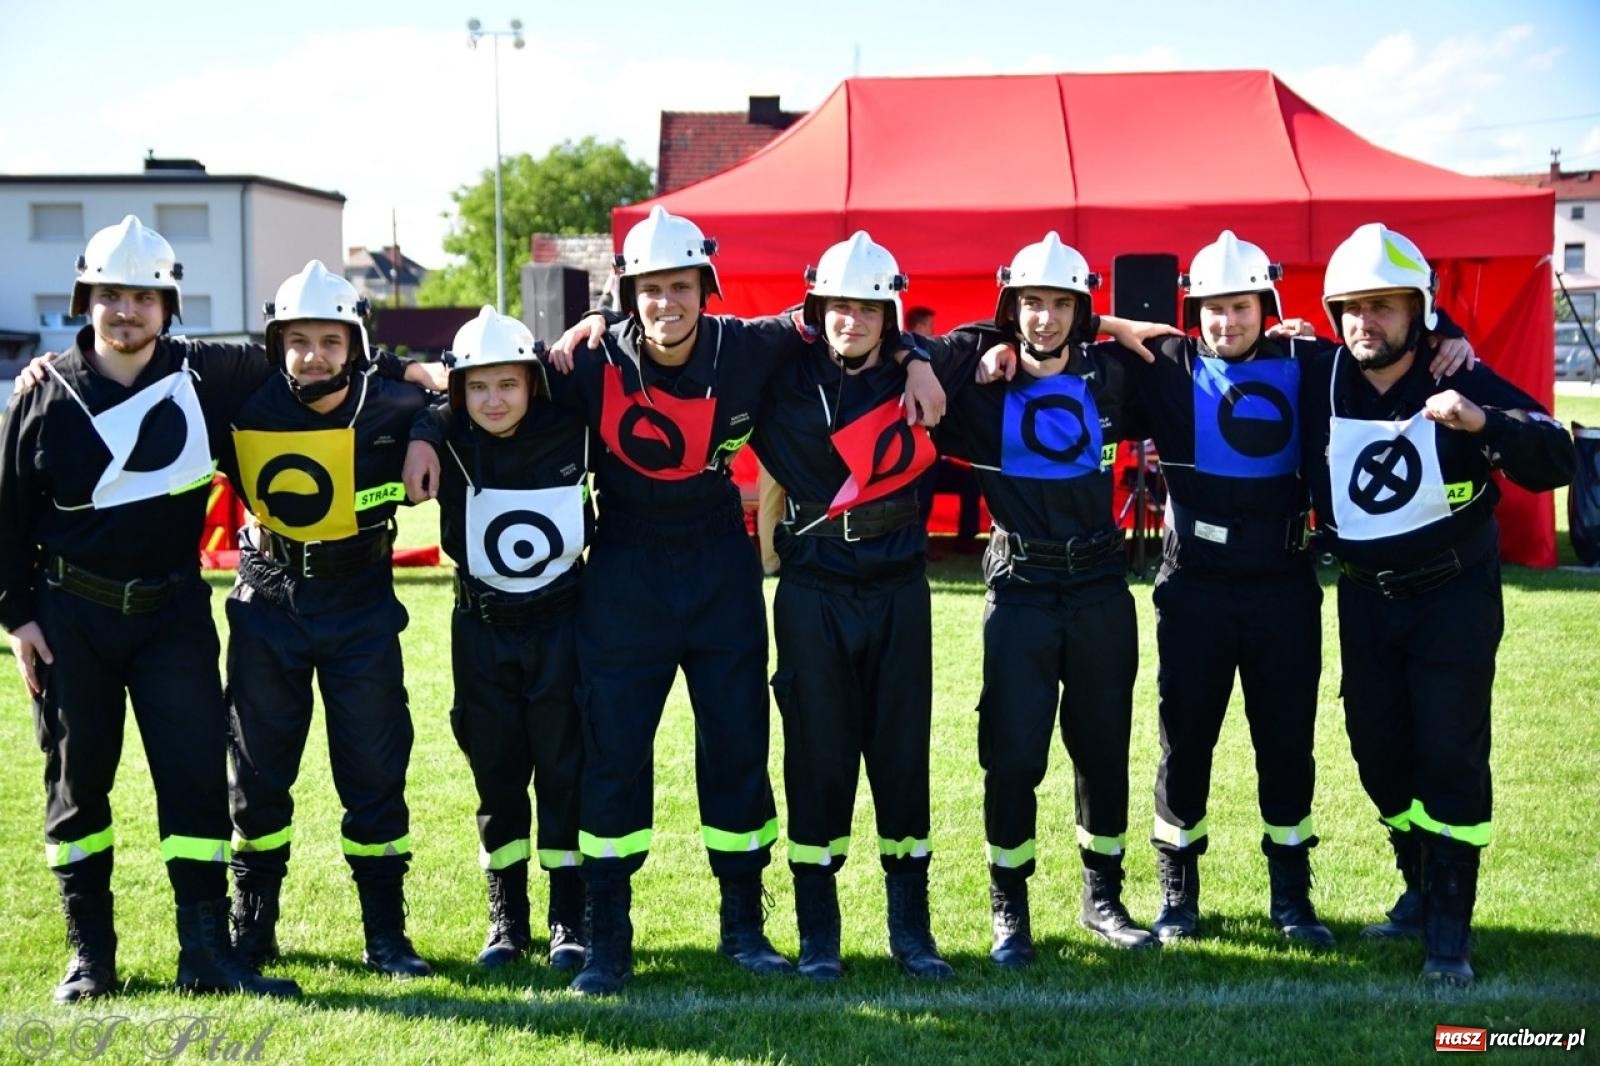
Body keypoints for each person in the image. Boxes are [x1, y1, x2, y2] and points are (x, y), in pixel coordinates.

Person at [427, 206, 943, 996]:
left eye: (679, 287)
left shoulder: (752, 343)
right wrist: (428, 425)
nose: (665, 304)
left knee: (736, 744)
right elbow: (486, 388)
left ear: (705, 286)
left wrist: (912, 358)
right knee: (614, 749)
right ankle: (608, 938)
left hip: (717, 563)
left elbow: (848, 323)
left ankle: (743, 927)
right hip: (625, 567)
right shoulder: (586, 362)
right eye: (648, 290)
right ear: (627, 293)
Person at [0, 216, 299, 1001]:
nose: (125, 310)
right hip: (71, 622)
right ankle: (90, 958)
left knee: (195, 778)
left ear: (168, 306)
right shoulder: (42, 396)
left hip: (174, 618)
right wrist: (19, 618)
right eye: (110, 295)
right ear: (85, 300)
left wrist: (430, 382)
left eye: (142, 296)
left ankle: (204, 955)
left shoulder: (207, 374)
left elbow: (312, 352)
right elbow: (4, 520)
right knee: (78, 787)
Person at [1301, 223, 1575, 985]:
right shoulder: (1320, 376)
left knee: (1449, 751)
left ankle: (1448, 934)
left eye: (1387, 306)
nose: (1368, 322)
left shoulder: (1461, 377)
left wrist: (1482, 421)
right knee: (1377, 749)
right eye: (1353, 307)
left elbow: (1555, 455)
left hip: (1453, 598)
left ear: (1419, 309)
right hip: (1366, 602)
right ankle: (1417, 888)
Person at [929, 233, 1158, 965]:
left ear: (1080, 310)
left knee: (1102, 750)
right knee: (1013, 755)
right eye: (1031, 304)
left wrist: (1115, 324)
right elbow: (912, 348)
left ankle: (1104, 897)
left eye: (1062, 304)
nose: (1046, 319)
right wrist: (985, 344)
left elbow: (1188, 349)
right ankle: (1010, 908)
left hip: (1099, 586)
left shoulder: (1111, 375)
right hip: (1021, 589)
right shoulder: (979, 387)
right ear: (1011, 308)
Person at [752, 232, 962, 982]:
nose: (852, 320)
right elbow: (694, 342)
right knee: (817, 756)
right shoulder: (779, 372)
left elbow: (1030, 328)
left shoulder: (926, 368)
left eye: (868, 308)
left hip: (899, 586)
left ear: (890, 314)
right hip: (813, 590)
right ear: (817, 307)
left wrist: (921, 359)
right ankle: (819, 938)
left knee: (902, 757)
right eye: (838, 306)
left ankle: (912, 933)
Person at [1123, 231, 1335, 947]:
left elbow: (1388, 350)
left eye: (1240, 307)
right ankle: (1178, 894)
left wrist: (1454, 341)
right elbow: (1091, 332)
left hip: (1283, 585)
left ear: (1267, 305)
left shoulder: (1306, 360)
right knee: (1185, 742)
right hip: (1196, 589)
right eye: (1212, 308)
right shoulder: (1169, 365)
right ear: (1194, 311)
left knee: (1286, 743)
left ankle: (1291, 896)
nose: (1226, 322)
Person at [223, 261, 433, 979]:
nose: (315, 354)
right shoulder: (245, 400)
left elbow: (466, 396)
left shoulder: (394, 403)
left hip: (362, 601)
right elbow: (167, 363)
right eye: (299, 339)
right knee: (257, 772)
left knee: (375, 768)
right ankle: (252, 931)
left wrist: (429, 426)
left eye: (331, 340)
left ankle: (386, 935)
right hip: (269, 600)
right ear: (276, 343)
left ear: (356, 346)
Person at [408, 306, 590, 971]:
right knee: (499, 774)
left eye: (508, 383)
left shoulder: (571, 422)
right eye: (477, 386)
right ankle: (507, 918)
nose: (493, 399)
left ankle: (570, 915)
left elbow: (608, 361)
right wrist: (427, 425)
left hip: (563, 624)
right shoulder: (449, 431)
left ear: (533, 382)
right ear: (457, 389)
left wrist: (593, 317)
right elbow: (381, 373)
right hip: (481, 630)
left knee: (566, 771)